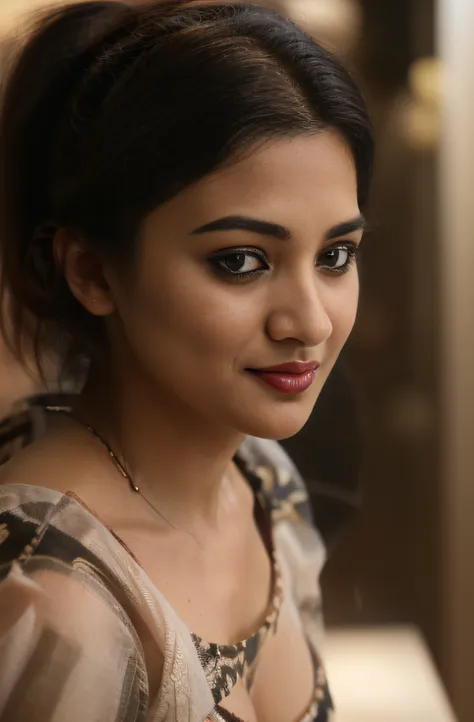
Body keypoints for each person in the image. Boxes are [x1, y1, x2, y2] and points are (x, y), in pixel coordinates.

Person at [0, 1, 373, 720]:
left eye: (335, 256)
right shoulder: (55, 601)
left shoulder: (263, 479)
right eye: (240, 261)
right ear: (92, 271)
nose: (310, 321)